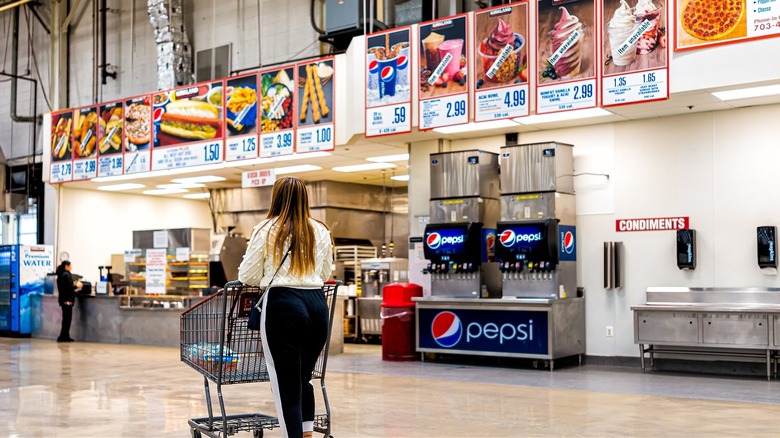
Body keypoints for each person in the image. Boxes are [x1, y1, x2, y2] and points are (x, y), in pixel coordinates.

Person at [238, 176, 333, 438]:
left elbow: (248, 275)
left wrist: (271, 276)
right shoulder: (321, 230)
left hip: (283, 304)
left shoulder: (266, 229)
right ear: (306, 198)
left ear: (275, 197)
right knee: (303, 378)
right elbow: (324, 272)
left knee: (286, 385)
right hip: (317, 305)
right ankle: (306, 433)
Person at [56, 260, 81, 343]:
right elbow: (70, 287)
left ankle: (65, 335)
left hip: (63, 299)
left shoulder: (60, 275)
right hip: (68, 300)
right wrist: (77, 285)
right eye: (70, 265)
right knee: (67, 319)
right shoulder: (67, 275)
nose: (71, 267)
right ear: (66, 266)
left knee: (65, 319)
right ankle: (64, 336)